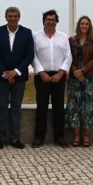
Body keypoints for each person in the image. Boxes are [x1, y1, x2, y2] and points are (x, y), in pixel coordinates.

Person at [0, 6, 34, 149]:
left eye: (15, 16)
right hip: (2, 77)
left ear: (19, 17)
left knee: (16, 108)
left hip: (19, 78)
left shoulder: (27, 33)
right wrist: (6, 73)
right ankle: (0, 138)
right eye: (10, 16)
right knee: (2, 108)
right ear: (6, 17)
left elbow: (29, 55)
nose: (13, 18)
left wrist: (15, 72)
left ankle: (15, 138)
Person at [32, 9, 71, 148]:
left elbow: (68, 56)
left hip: (59, 76)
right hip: (42, 76)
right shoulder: (36, 37)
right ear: (44, 21)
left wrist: (61, 73)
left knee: (59, 107)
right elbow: (33, 56)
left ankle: (59, 137)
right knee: (41, 107)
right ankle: (39, 137)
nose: (50, 22)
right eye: (48, 19)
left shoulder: (63, 37)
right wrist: (41, 72)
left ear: (56, 21)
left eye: (53, 19)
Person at [65, 15, 93, 147]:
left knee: (89, 107)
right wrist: (75, 71)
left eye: (87, 24)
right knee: (75, 107)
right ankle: (76, 136)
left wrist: (83, 71)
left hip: (91, 77)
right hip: (74, 78)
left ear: (90, 26)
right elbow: (67, 57)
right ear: (78, 26)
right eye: (82, 24)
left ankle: (86, 136)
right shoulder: (71, 40)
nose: (84, 26)